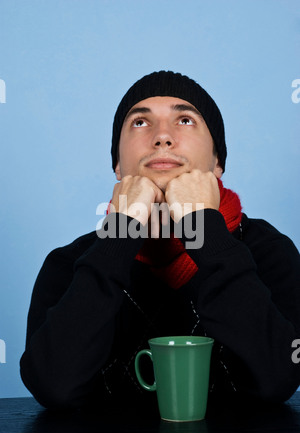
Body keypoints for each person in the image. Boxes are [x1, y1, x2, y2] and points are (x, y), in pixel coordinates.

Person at [20, 71, 300, 410]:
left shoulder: (268, 251)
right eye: (140, 123)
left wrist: (203, 229)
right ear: (118, 167)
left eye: (184, 120)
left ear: (217, 163)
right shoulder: (70, 263)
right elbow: (53, 386)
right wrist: (120, 234)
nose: (162, 137)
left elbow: (279, 379)